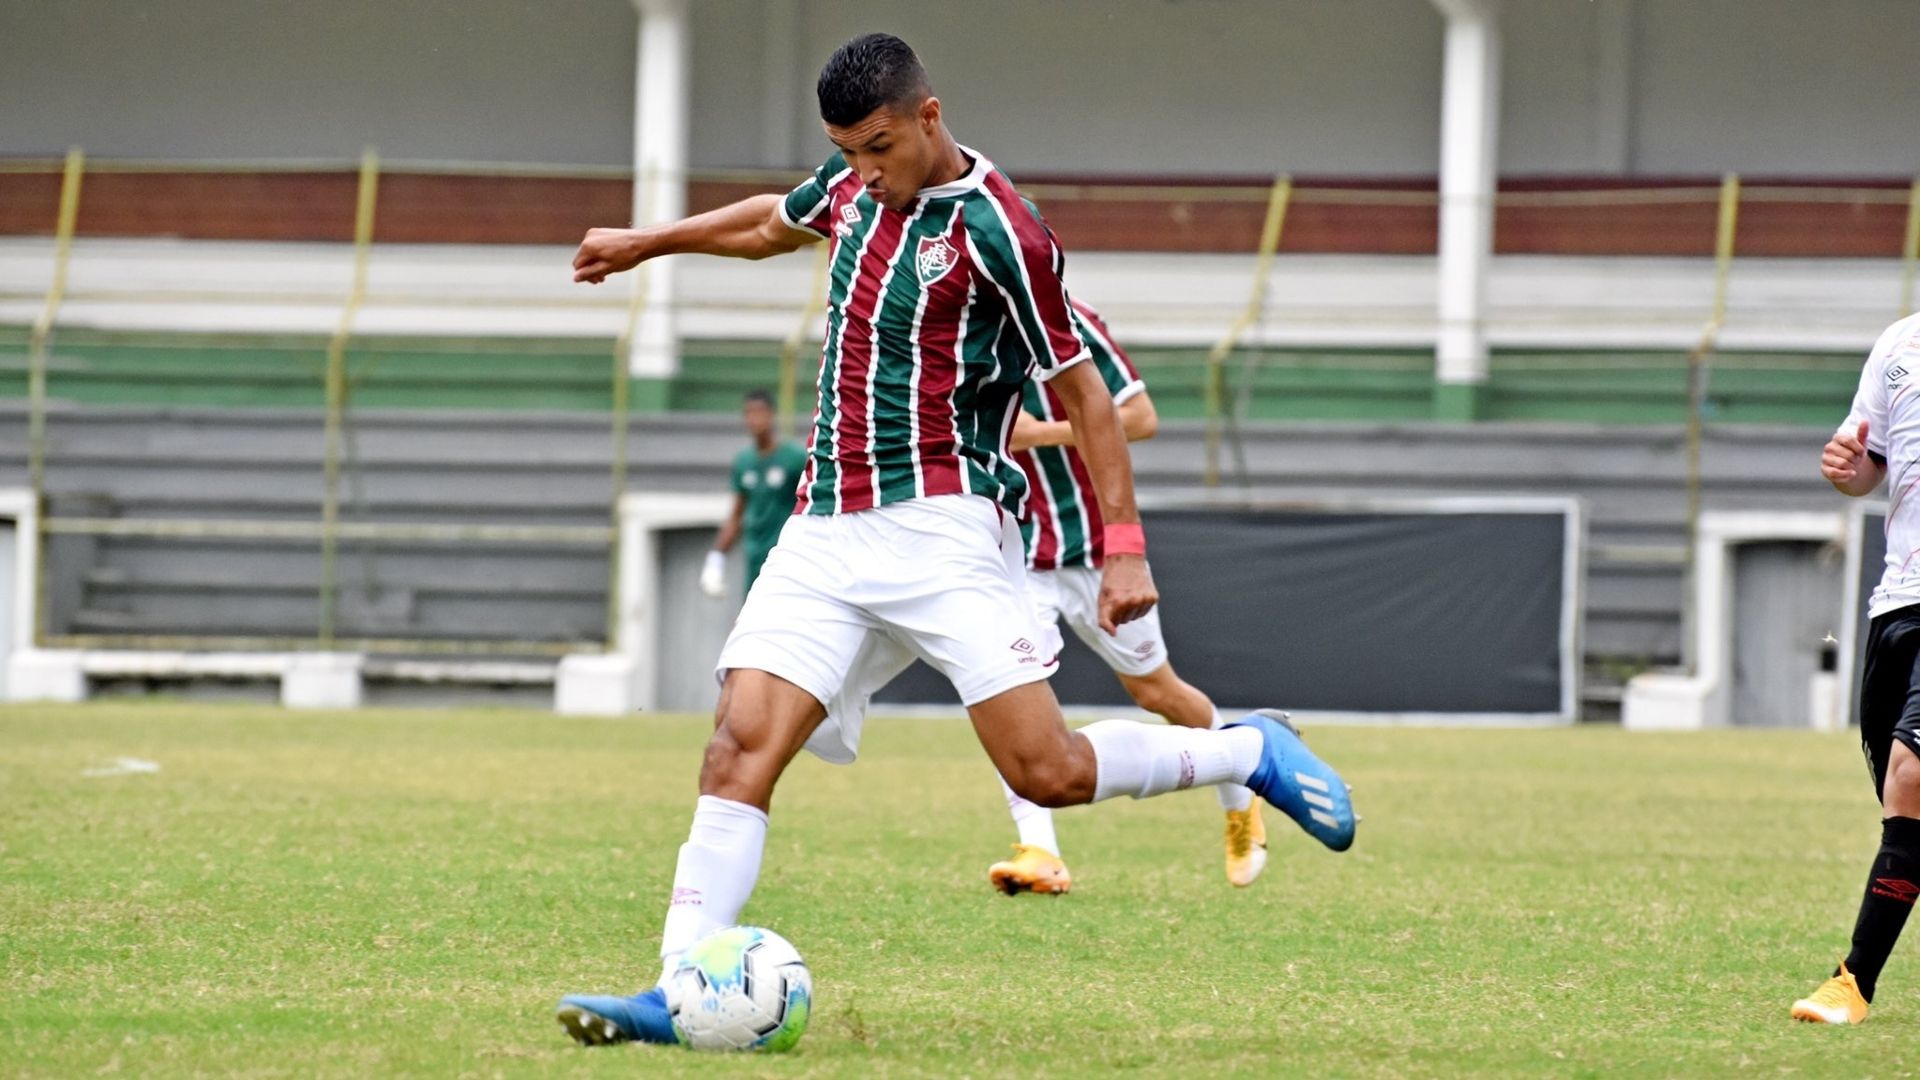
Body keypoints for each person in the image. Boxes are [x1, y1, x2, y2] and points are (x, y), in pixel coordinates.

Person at [554, 33, 1356, 1047]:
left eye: (878, 148)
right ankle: (678, 991)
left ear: (929, 117)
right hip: (824, 525)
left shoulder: (1002, 231)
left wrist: (1123, 545)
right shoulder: (853, 188)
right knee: (736, 749)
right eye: (846, 151)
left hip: (943, 527)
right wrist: (645, 243)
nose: (863, 173)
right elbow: (772, 222)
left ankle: (1249, 748)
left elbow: (1088, 396)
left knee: (1045, 771)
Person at [987, 297, 1270, 896]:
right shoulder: (958, 321)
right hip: (1019, 550)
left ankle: (1241, 793)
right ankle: (1039, 850)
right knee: (1005, 686)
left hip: (1094, 551)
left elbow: (1139, 417)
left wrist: (1040, 435)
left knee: (1156, 690)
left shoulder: (1064, 318)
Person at [1796, 309, 1920, 1024]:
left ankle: (1853, 982)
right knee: (1899, 793)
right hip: (1900, 602)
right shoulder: (1898, 342)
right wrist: (1848, 469)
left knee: (1912, 772)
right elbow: (1866, 469)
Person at [702, 390, 807, 599]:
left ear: (772, 415)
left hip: (785, 558)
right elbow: (736, 515)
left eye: (759, 412)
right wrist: (716, 558)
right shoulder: (744, 462)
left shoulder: (794, 458)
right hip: (754, 558)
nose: (754, 419)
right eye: (749, 413)